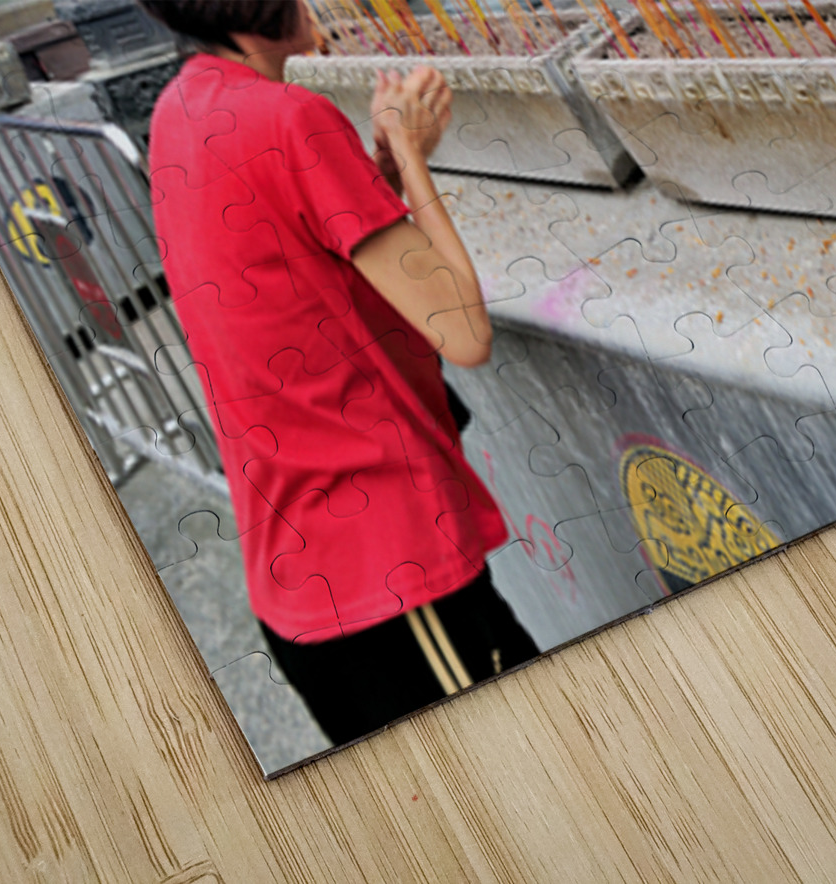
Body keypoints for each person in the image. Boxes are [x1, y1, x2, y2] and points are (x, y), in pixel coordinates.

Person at [141, 0, 539, 746]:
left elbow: (295, 256)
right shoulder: (293, 116)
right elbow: (464, 331)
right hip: (389, 581)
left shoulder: (179, 109)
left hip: (305, 578)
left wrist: (371, 176)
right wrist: (412, 158)